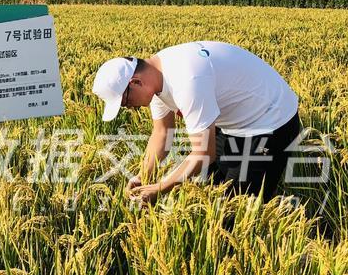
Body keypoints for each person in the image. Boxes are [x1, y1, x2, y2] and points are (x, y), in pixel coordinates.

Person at [91, 41, 301, 204]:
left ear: (135, 82)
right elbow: (162, 133)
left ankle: (287, 214)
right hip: (234, 122)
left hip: (270, 122)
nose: (129, 107)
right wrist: (143, 176)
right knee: (210, 188)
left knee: (237, 207)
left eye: (125, 101)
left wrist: (161, 188)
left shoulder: (186, 80)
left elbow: (205, 152)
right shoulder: (155, 79)